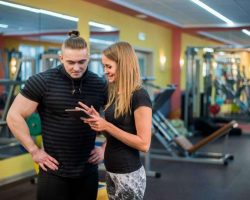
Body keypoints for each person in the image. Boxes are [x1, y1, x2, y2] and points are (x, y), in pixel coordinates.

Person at [6, 30, 107, 200]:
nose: (76, 67)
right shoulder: (42, 82)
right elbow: (13, 116)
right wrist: (34, 150)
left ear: (88, 58)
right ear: (61, 59)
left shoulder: (99, 84)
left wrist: (105, 148)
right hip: (53, 172)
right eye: (71, 62)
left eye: (82, 62)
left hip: (88, 171)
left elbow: (119, 118)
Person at [78, 41, 152, 200]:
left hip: (128, 174)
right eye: (104, 66)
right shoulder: (114, 92)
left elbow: (144, 144)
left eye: (109, 66)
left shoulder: (139, 95)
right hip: (112, 170)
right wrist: (98, 122)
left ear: (123, 65)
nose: (105, 71)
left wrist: (108, 126)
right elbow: (114, 133)